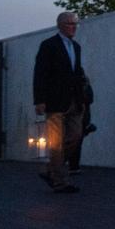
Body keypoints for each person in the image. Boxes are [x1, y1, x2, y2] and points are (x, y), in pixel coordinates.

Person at [33, 12, 85, 194]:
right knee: (55, 143)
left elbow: (76, 72)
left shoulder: (76, 47)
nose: (74, 27)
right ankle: (60, 182)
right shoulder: (48, 45)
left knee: (76, 136)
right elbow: (40, 73)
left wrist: (82, 97)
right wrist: (39, 100)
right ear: (60, 25)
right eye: (70, 24)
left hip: (74, 101)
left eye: (75, 24)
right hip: (55, 101)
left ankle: (51, 170)